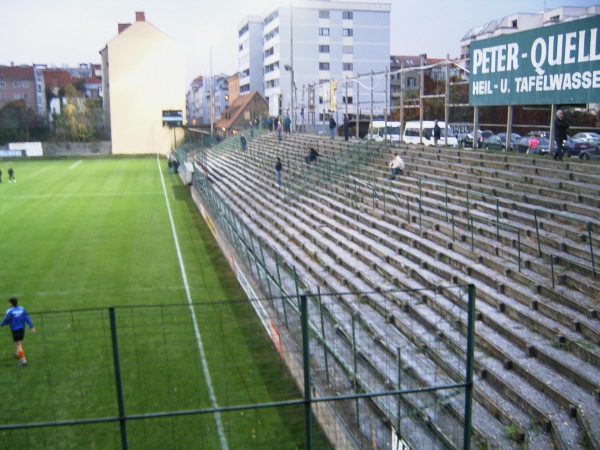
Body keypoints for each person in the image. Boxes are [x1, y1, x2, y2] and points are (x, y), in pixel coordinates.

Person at [1, 297, 35, 366]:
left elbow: (6, 320)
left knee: (18, 344)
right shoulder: (22, 309)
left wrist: (1, 324)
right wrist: (31, 327)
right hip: (22, 328)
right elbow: (27, 318)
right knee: (19, 342)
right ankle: (18, 354)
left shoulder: (10, 311)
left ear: (11, 303)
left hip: (15, 329)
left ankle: (23, 361)